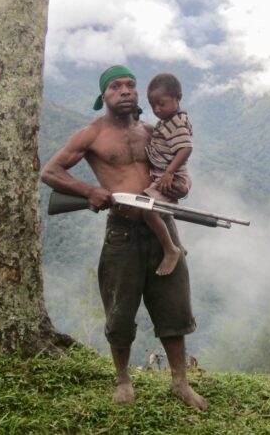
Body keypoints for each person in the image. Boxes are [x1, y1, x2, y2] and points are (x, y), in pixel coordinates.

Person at [40, 65, 208, 411]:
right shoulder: (92, 134)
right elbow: (50, 172)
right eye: (116, 86)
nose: (125, 91)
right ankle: (122, 379)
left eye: (130, 84)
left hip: (162, 226)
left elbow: (172, 169)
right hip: (122, 231)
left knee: (173, 305)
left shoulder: (153, 131)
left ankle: (180, 382)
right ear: (103, 96)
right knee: (119, 310)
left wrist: (179, 185)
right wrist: (90, 191)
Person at [142, 73, 193, 276]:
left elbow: (186, 148)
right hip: (166, 176)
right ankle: (178, 244)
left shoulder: (176, 123)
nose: (156, 110)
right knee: (162, 211)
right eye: (152, 105)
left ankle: (171, 249)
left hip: (171, 178)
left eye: (161, 104)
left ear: (177, 97)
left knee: (148, 210)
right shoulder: (168, 120)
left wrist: (169, 173)